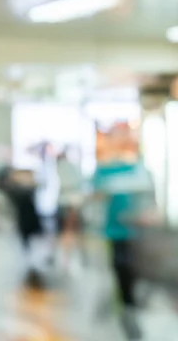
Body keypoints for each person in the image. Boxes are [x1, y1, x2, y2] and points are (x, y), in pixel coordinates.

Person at [92, 125, 155, 340]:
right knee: (120, 267)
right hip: (114, 231)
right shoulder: (103, 169)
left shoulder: (137, 167)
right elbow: (96, 198)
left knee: (135, 269)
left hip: (138, 231)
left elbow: (148, 198)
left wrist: (147, 214)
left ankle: (131, 304)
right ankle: (126, 308)